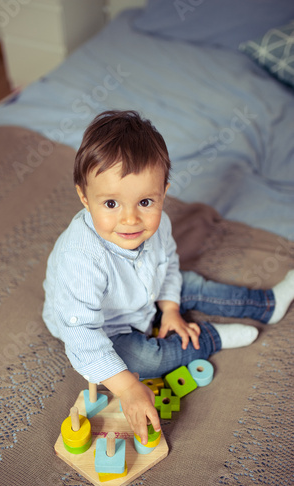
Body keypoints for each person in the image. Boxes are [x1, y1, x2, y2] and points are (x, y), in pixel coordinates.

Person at [42, 110, 294, 444]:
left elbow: (170, 264)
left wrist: (172, 309)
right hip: (103, 326)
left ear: (164, 192)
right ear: (85, 198)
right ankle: (209, 338)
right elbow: (82, 335)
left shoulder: (157, 225)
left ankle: (267, 303)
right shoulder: (81, 259)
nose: (131, 219)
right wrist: (129, 388)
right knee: (147, 359)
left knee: (194, 285)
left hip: (144, 294)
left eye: (145, 201)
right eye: (112, 203)